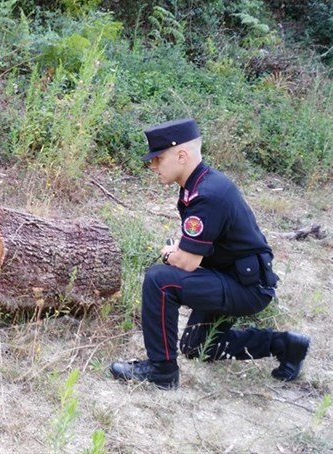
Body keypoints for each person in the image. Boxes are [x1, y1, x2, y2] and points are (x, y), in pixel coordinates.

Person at [109, 118, 310, 389]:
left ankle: (162, 371)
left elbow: (186, 262)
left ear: (181, 155)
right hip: (235, 278)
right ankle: (285, 345)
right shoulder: (200, 184)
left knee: (159, 279)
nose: (152, 166)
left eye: (158, 159)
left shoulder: (207, 194)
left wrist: (170, 254)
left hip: (245, 286)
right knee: (198, 346)